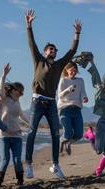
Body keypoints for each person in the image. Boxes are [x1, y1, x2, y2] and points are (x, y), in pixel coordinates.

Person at [24, 9, 81, 179]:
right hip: (37, 101)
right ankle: (28, 165)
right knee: (32, 132)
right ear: (44, 51)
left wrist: (77, 35)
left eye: (55, 50)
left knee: (56, 134)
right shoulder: (38, 61)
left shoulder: (58, 65)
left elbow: (71, 52)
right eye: (50, 49)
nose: (53, 51)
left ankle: (55, 166)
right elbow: (31, 43)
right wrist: (29, 25)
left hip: (50, 103)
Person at [0, 63, 30, 187]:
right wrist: (3, 75)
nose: (22, 93)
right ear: (14, 90)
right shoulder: (4, 100)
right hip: (3, 135)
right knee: (5, 159)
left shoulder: (17, 103)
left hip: (17, 135)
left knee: (17, 159)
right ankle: (0, 181)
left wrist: (31, 124)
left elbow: (22, 116)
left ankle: (20, 180)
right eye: (21, 91)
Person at [57, 61, 88, 155]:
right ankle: (62, 140)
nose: (74, 72)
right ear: (66, 70)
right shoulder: (63, 80)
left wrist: (84, 98)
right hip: (65, 109)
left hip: (77, 109)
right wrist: (68, 89)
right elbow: (60, 96)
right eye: (71, 70)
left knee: (79, 134)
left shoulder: (80, 81)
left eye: (75, 71)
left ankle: (68, 143)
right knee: (68, 133)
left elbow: (83, 92)